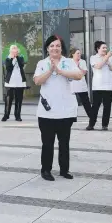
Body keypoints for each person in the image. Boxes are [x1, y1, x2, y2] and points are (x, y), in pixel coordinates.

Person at [33, 35, 83, 181]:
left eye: (58, 46)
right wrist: (50, 71)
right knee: (47, 143)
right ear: (47, 48)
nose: (55, 48)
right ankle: (46, 170)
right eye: (52, 46)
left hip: (65, 110)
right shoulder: (42, 63)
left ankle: (64, 170)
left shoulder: (68, 62)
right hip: (47, 112)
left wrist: (60, 71)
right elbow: (37, 80)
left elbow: (79, 75)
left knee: (64, 143)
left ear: (62, 48)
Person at [87, 41, 112, 131]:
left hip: (109, 85)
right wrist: (106, 58)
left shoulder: (111, 58)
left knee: (107, 107)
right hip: (98, 86)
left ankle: (105, 125)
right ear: (98, 48)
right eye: (103, 48)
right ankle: (91, 124)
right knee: (95, 106)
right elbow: (98, 66)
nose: (105, 49)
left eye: (106, 48)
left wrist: (108, 61)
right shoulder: (93, 58)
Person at [2, 45, 26, 122]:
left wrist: (17, 57)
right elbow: (9, 68)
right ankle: (6, 115)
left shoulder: (20, 58)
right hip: (10, 83)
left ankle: (17, 116)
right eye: (13, 50)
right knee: (8, 100)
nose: (14, 51)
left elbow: (21, 65)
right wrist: (12, 57)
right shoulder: (7, 59)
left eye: (15, 50)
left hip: (20, 83)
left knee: (19, 100)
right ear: (10, 51)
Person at [70, 48, 91, 118]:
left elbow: (84, 73)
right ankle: (71, 118)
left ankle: (92, 118)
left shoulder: (83, 61)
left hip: (81, 86)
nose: (79, 55)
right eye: (77, 53)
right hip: (72, 86)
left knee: (86, 103)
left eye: (80, 53)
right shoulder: (69, 61)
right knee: (72, 103)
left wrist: (79, 67)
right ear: (73, 54)